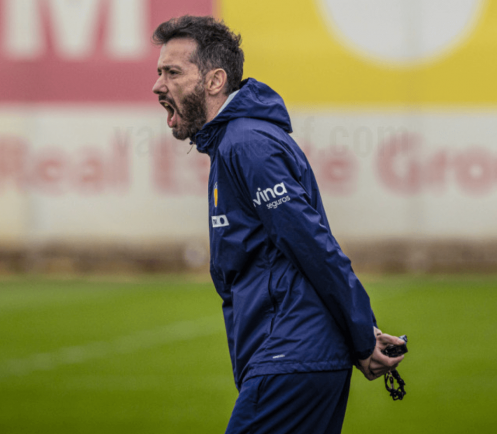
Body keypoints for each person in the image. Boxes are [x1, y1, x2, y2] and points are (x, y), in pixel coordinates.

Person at [151, 16, 406, 434]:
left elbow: (311, 243)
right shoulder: (233, 143)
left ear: (215, 81)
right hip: (294, 355)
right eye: (159, 72)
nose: (158, 85)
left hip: (290, 358)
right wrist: (357, 330)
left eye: (172, 72)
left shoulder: (246, 143)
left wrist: (360, 332)